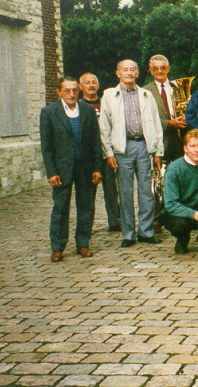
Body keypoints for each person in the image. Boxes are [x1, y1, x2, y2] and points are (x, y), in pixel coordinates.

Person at [98, 59, 164, 248]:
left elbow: (157, 125)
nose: (129, 72)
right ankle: (128, 234)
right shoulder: (110, 95)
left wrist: (158, 151)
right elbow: (104, 127)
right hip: (123, 148)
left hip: (144, 146)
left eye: (132, 69)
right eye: (124, 70)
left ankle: (146, 232)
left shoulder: (146, 95)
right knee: (125, 192)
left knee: (146, 192)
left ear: (137, 73)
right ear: (118, 73)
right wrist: (109, 153)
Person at [40, 77, 104, 262]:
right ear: (59, 92)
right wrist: (51, 172)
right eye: (66, 90)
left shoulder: (87, 111)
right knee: (60, 207)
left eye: (74, 90)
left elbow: (95, 142)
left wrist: (97, 168)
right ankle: (58, 247)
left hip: (85, 167)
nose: (71, 94)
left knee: (86, 206)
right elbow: (47, 146)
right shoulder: (49, 113)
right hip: (62, 169)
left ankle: (83, 243)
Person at [79, 72, 120, 232]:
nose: (91, 85)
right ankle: (87, 225)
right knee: (89, 192)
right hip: (89, 156)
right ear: (81, 86)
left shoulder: (106, 103)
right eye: (87, 82)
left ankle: (115, 222)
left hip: (107, 151)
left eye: (94, 82)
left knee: (111, 190)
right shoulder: (79, 106)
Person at [143, 54, 186, 163]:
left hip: (180, 139)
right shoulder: (145, 91)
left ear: (168, 68)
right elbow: (146, 119)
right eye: (155, 68)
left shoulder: (178, 87)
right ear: (151, 70)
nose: (160, 71)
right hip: (160, 141)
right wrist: (170, 123)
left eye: (163, 67)